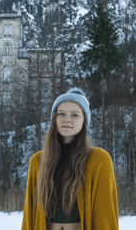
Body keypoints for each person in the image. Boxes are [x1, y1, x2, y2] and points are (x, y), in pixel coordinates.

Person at [21, 87, 119, 230]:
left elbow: (106, 215)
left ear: (84, 120)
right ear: (54, 118)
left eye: (74, 115)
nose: (67, 119)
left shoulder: (98, 160)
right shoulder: (37, 161)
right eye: (61, 114)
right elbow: (29, 216)